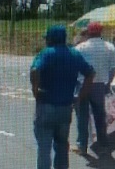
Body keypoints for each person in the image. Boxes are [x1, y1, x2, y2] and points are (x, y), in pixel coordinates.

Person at [30, 25, 95, 169]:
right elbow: (90, 73)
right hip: (65, 107)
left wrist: (35, 90)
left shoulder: (46, 53)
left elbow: (35, 70)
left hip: (46, 105)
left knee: (44, 149)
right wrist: (79, 96)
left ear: (51, 39)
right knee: (62, 145)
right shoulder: (74, 54)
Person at [73, 22, 115, 156]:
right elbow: (114, 68)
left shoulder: (80, 47)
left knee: (82, 116)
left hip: (83, 85)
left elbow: (75, 68)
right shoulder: (109, 47)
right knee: (100, 115)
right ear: (101, 32)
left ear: (88, 32)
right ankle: (103, 142)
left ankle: (82, 145)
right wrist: (108, 83)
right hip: (100, 84)